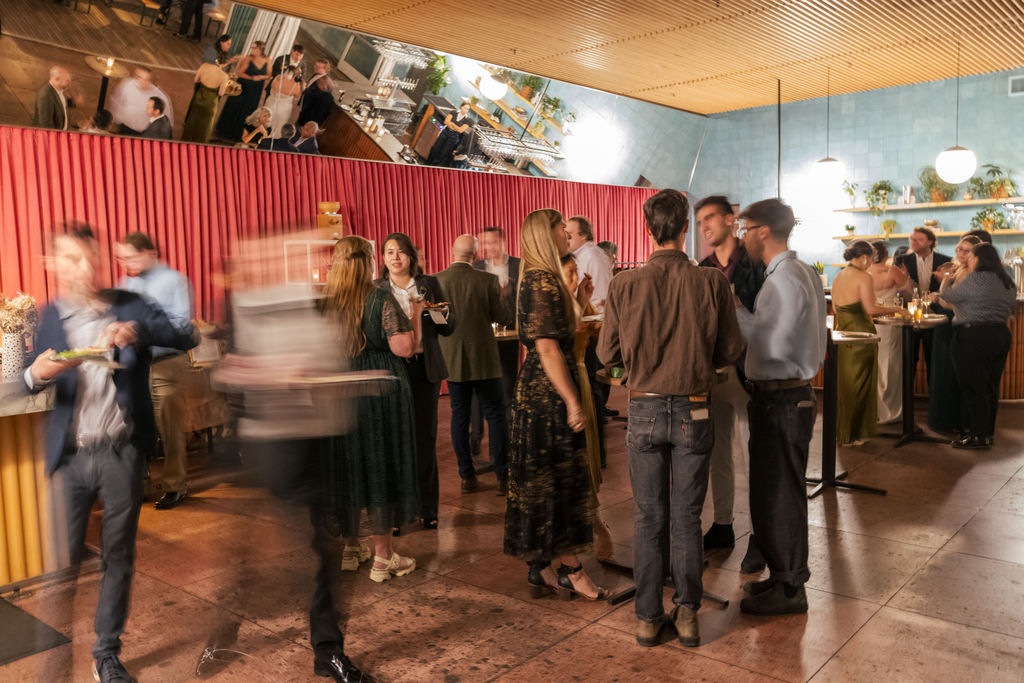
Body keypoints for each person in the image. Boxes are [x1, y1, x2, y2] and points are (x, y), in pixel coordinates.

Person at [23, 225, 195, 683]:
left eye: (88, 258)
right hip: (71, 457)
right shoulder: (48, 316)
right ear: (52, 265)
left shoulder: (128, 303)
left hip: (122, 451)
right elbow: (35, 371)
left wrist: (138, 330)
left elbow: (186, 334)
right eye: (71, 259)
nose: (84, 268)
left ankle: (106, 656)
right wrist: (36, 372)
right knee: (62, 566)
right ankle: (53, 665)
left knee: (118, 557)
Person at [599, 190, 744, 647]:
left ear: (648, 229)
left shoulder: (624, 284)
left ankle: (646, 617)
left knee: (648, 518)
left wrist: (630, 370)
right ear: (684, 228)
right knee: (686, 518)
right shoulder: (711, 282)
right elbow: (732, 349)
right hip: (694, 407)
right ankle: (687, 615)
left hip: (642, 406)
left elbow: (606, 354)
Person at [504, 208, 607, 603]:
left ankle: (540, 564)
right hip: (548, 391)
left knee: (540, 479)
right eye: (561, 228)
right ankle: (572, 570)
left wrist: (578, 299)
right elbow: (547, 347)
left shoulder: (534, 278)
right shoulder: (543, 280)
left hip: (536, 387)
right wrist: (572, 402)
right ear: (546, 235)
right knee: (559, 479)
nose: (567, 233)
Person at [733, 198, 826, 616]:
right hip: (787, 396)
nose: (743, 237)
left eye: (745, 228)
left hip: (782, 398)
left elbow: (770, 343)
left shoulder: (784, 279)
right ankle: (782, 575)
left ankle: (790, 588)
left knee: (781, 495)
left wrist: (734, 311)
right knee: (776, 492)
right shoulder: (800, 271)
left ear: (763, 231)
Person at [322, 235, 420, 581]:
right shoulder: (379, 298)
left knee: (349, 469)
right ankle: (382, 558)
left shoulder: (328, 303)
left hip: (340, 390)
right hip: (379, 390)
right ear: (366, 262)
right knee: (381, 467)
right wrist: (416, 317)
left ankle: (352, 548)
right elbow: (405, 348)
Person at [694, 195, 765, 554]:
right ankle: (722, 524)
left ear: (729, 219)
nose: (704, 226)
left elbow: (766, 318)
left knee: (754, 453)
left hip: (752, 370)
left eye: (710, 217)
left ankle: (758, 532)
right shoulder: (703, 268)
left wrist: (736, 305)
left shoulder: (755, 262)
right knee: (718, 451)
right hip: (715, 373)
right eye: (699, 221)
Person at [374, 233, 454, 530]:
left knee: (424, 440)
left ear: (411, 256)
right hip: (393, 370)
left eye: (401, 252)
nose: (395, 257)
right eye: (389, 252)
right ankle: (395, 515)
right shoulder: (376, 289)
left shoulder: (428, 284)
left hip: (424, 371)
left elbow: (449, 327)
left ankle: (427, 509)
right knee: (394, 441)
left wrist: (433, 314)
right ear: (382, 258)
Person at [116, 232, 195, 509]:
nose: (123, 262)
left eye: (129, 256)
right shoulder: (124, 283)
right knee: (135, 425)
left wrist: (141, 329)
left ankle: (175, 485)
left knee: (169, 427)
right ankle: (139, 483)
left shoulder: (174, 280)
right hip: (133, 364)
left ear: (148, 252)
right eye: (120, 257)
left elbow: (180, 325)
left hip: (166, 362)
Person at [435, 235, 509, 493]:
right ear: (476, 256)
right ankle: (502, 475)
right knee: (496, 416)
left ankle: (467, 476)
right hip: (485, 360)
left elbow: (437, 323)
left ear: (452, 251)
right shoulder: (488, 281)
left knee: (459, 416)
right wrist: (504, 296)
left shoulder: (436, 282)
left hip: (452, 360)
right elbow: (503, 317)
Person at [931, 243, 1017, 449]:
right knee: (990, 387)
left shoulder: (975, 278)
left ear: (979, 259)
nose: (967, 258)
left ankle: (978, 436)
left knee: (973, 387)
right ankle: (986, 434)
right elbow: (1011, 308)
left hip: (973, 336)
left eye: (971, 255)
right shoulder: (1007, 281)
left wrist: (946, 280)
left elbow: (948, 297)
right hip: (1000, 334)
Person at [560, 253, 613, 561]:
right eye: (568, 274)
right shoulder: (554, 306)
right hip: (566, 378)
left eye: (575, 273)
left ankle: (593, 514)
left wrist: (589, 300)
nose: (573, 279)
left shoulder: (580, 299)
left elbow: (597, 332)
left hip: (582, 375)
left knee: (590, 451)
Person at [830, 240, 900, 446]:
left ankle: (843, 433)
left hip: (843, 333)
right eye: (870, 260)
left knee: (847, 385)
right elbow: (870, 309)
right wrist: (896, 310)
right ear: (864, 257)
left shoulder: (839, 276)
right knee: (861, 385)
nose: (871, 264)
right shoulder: (863, 276)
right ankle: (855, 434)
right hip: (862, 335)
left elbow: (835, 308)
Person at [469, 226, 520, 461]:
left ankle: (508, 441)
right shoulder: (476, 268)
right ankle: (476, 437)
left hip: (509, 337)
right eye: (484, 243)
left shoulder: (518, 266)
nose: (487, 247)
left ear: (503, 241)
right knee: (479, 390)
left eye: (491, 242)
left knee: (507, 387)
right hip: (482, 339)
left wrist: (507, 294)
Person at [567, 215, 613, 458]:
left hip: (591, 329)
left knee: (593, 388)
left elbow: (601, 297)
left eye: (570, 234)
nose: (567, 238)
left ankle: (597, 450)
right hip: (586, 326)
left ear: (583, 235)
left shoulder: (591, 257)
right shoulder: (584, 256)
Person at [928, 235, 981, 434]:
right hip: (944, 324)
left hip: (955, 324)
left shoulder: (970, 273)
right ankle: (946, 419)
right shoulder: (958, 269)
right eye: (960, 249)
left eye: (967, 251)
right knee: (943, 371)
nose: (961, 254)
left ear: (974, 254)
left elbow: (955, 303)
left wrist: (939, 298)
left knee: (952, 372)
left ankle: (956, 420)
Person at [895, 227, 951, 376]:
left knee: (934, 360)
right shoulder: (902, 261)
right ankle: (907, 398)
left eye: (919, 239)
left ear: (930, 242)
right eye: (912, 239)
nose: (914, 242)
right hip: (910, 316)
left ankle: (934, 397)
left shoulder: (945, 260)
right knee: (908, 360)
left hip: (936, 316)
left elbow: (950, 289)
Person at [867, 239, 908, 424]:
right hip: (891, 323)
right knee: (890, 366)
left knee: (874, 365)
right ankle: (891, 412)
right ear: (886, 255)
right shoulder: (892, 271)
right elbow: (910, 292)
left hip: (871, 323)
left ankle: (874, 409)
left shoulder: (863, 274)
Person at [213, 40, 270, 142]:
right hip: (244, 86)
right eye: (252, 47)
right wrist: (252, 78)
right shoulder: (248, 58)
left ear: (260, 49)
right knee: (235, 107)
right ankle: (226, 131)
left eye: (254, 48)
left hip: (256, 90)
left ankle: (241, 133)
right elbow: (239, 73)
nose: (252, 49)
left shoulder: (267, 60)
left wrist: (261, 77)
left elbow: (269, 75)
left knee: (249, 110)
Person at [109, 67, 174, 136]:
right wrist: (115, 119)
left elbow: (166, 121)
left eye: (146, 79)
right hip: (125, 128)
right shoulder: (127, 85)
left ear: (151, 81)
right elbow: (116, 102)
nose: (141, 81)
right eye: (138, 77)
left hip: (143, 133)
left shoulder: (160, 97)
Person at [181, 55, 231, 143]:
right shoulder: (224, 76)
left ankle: (185, 140)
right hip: (211, 104)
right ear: (225, 64)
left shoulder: (204, 66)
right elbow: (220, 93)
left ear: (216, 60)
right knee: (204, 127)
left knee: (192, 121)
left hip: (198, 98)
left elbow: (196, 80)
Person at [32, 66, 81, 131]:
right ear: (57, 79)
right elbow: (46, 124)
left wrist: (73, 102)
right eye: (67, 80)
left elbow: (58, 103)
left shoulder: (58, 89)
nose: (69, 83)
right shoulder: (45, 96)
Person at [427, 102, 473, 167]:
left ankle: (435, 166)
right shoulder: (453, 113)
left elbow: (460, 130)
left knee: (444, 153)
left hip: (453, 137)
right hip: (445, 132)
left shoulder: (468, 120)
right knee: (435, 148)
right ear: (461, 107)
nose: (465, 110)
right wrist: (456, 127)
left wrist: (452, 124)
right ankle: (428, 164)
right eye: (464, 108)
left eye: (467, 109)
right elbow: (446, 121)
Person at [264, 64, 303, 138]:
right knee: (278, 125)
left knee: (267, 121)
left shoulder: (278, 78)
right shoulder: (296, 85)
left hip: (270, 103)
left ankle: (261, 136)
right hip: (284, 108)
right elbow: (298, 96)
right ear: (294, 75)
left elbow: (272, 87)